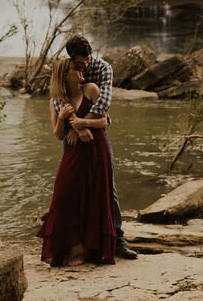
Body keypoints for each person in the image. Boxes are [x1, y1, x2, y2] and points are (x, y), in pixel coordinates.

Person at [52, 35, 138, 260]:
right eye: (81, 63)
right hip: (72, 135)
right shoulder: (66, 68)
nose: (86, 65)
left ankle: (117, 241)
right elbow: (59, 99)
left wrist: (82, 124)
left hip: (95, 133)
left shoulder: (102, 68)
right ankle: (77, 244)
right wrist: (75, 129)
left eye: (88, 59)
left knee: (107, 187)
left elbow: (103, 106)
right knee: (71, 188)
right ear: (72, 59)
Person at [37, 59, 117, 266]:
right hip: (72, 153)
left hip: (96, 149)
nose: (82, 72)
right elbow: (57, 134)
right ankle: (74, 246)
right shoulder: (56, 100)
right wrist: (63, 118)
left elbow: (104, 121)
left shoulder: (91, 89)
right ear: (65, 75)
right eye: (77, 70)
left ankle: (91, 249)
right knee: (64, 196)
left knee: (95, 196)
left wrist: (83, 124)